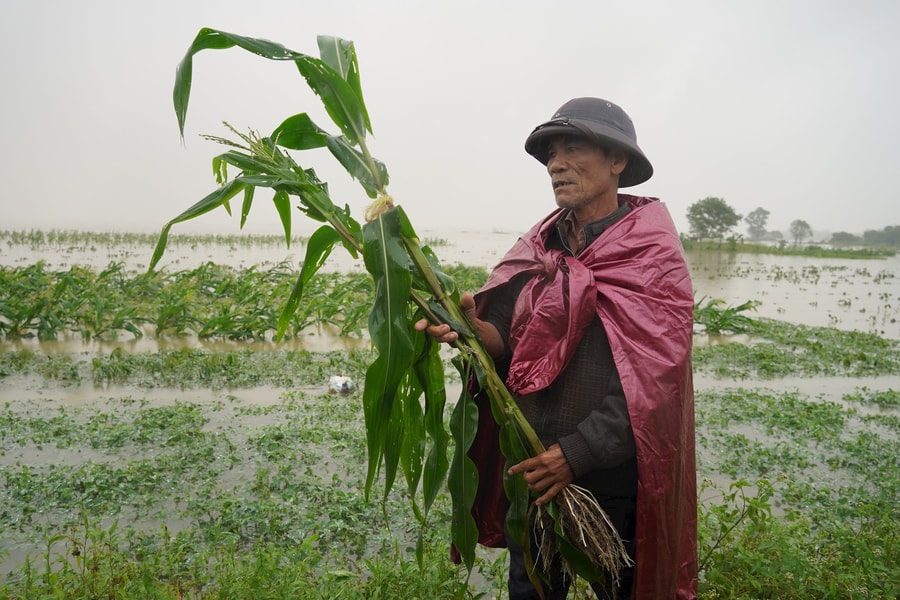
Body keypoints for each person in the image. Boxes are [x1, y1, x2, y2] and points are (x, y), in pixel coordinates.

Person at [417, 97, 697, 599]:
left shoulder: (650, 255)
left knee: (621, 587)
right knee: (533, 592)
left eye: (573, 147)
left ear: (618, 161)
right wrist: (466, 328)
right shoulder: (540, 247)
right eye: (550, 152)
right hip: (533, 466)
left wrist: (576, 452)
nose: (555, 163)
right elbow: (503, 337)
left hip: (610, 479)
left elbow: (655, 383)